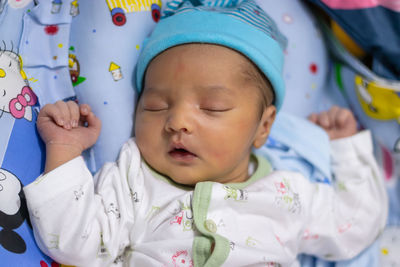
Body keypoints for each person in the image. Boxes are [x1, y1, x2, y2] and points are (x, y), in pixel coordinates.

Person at [24, 0, 387, 266]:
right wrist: (65, 152)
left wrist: (348, 152)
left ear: (263, 127)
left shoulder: (286, 193)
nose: (177, 121)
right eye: (155, 105)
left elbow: (353, 227)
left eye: (212, 108)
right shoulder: (133, 181)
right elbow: (75, 243)